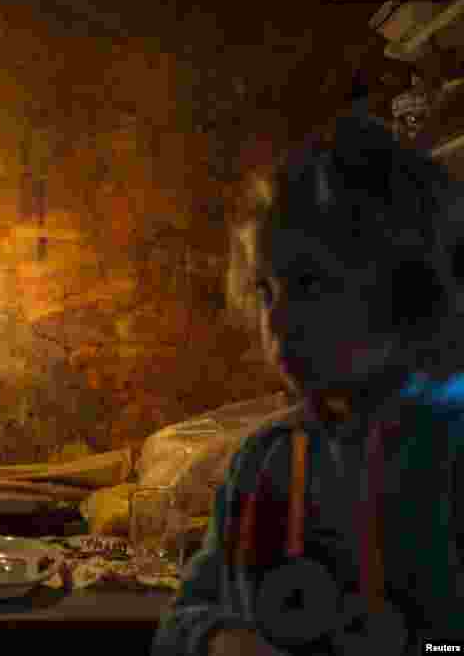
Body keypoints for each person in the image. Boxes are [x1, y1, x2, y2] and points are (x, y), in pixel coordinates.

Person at [153, 115, 464, 656]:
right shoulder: (264, 460)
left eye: (311, 283)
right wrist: (221, 641)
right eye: (267, 290)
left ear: (402, 280)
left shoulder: (449, 451)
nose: (277, 318)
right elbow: (183, 620)